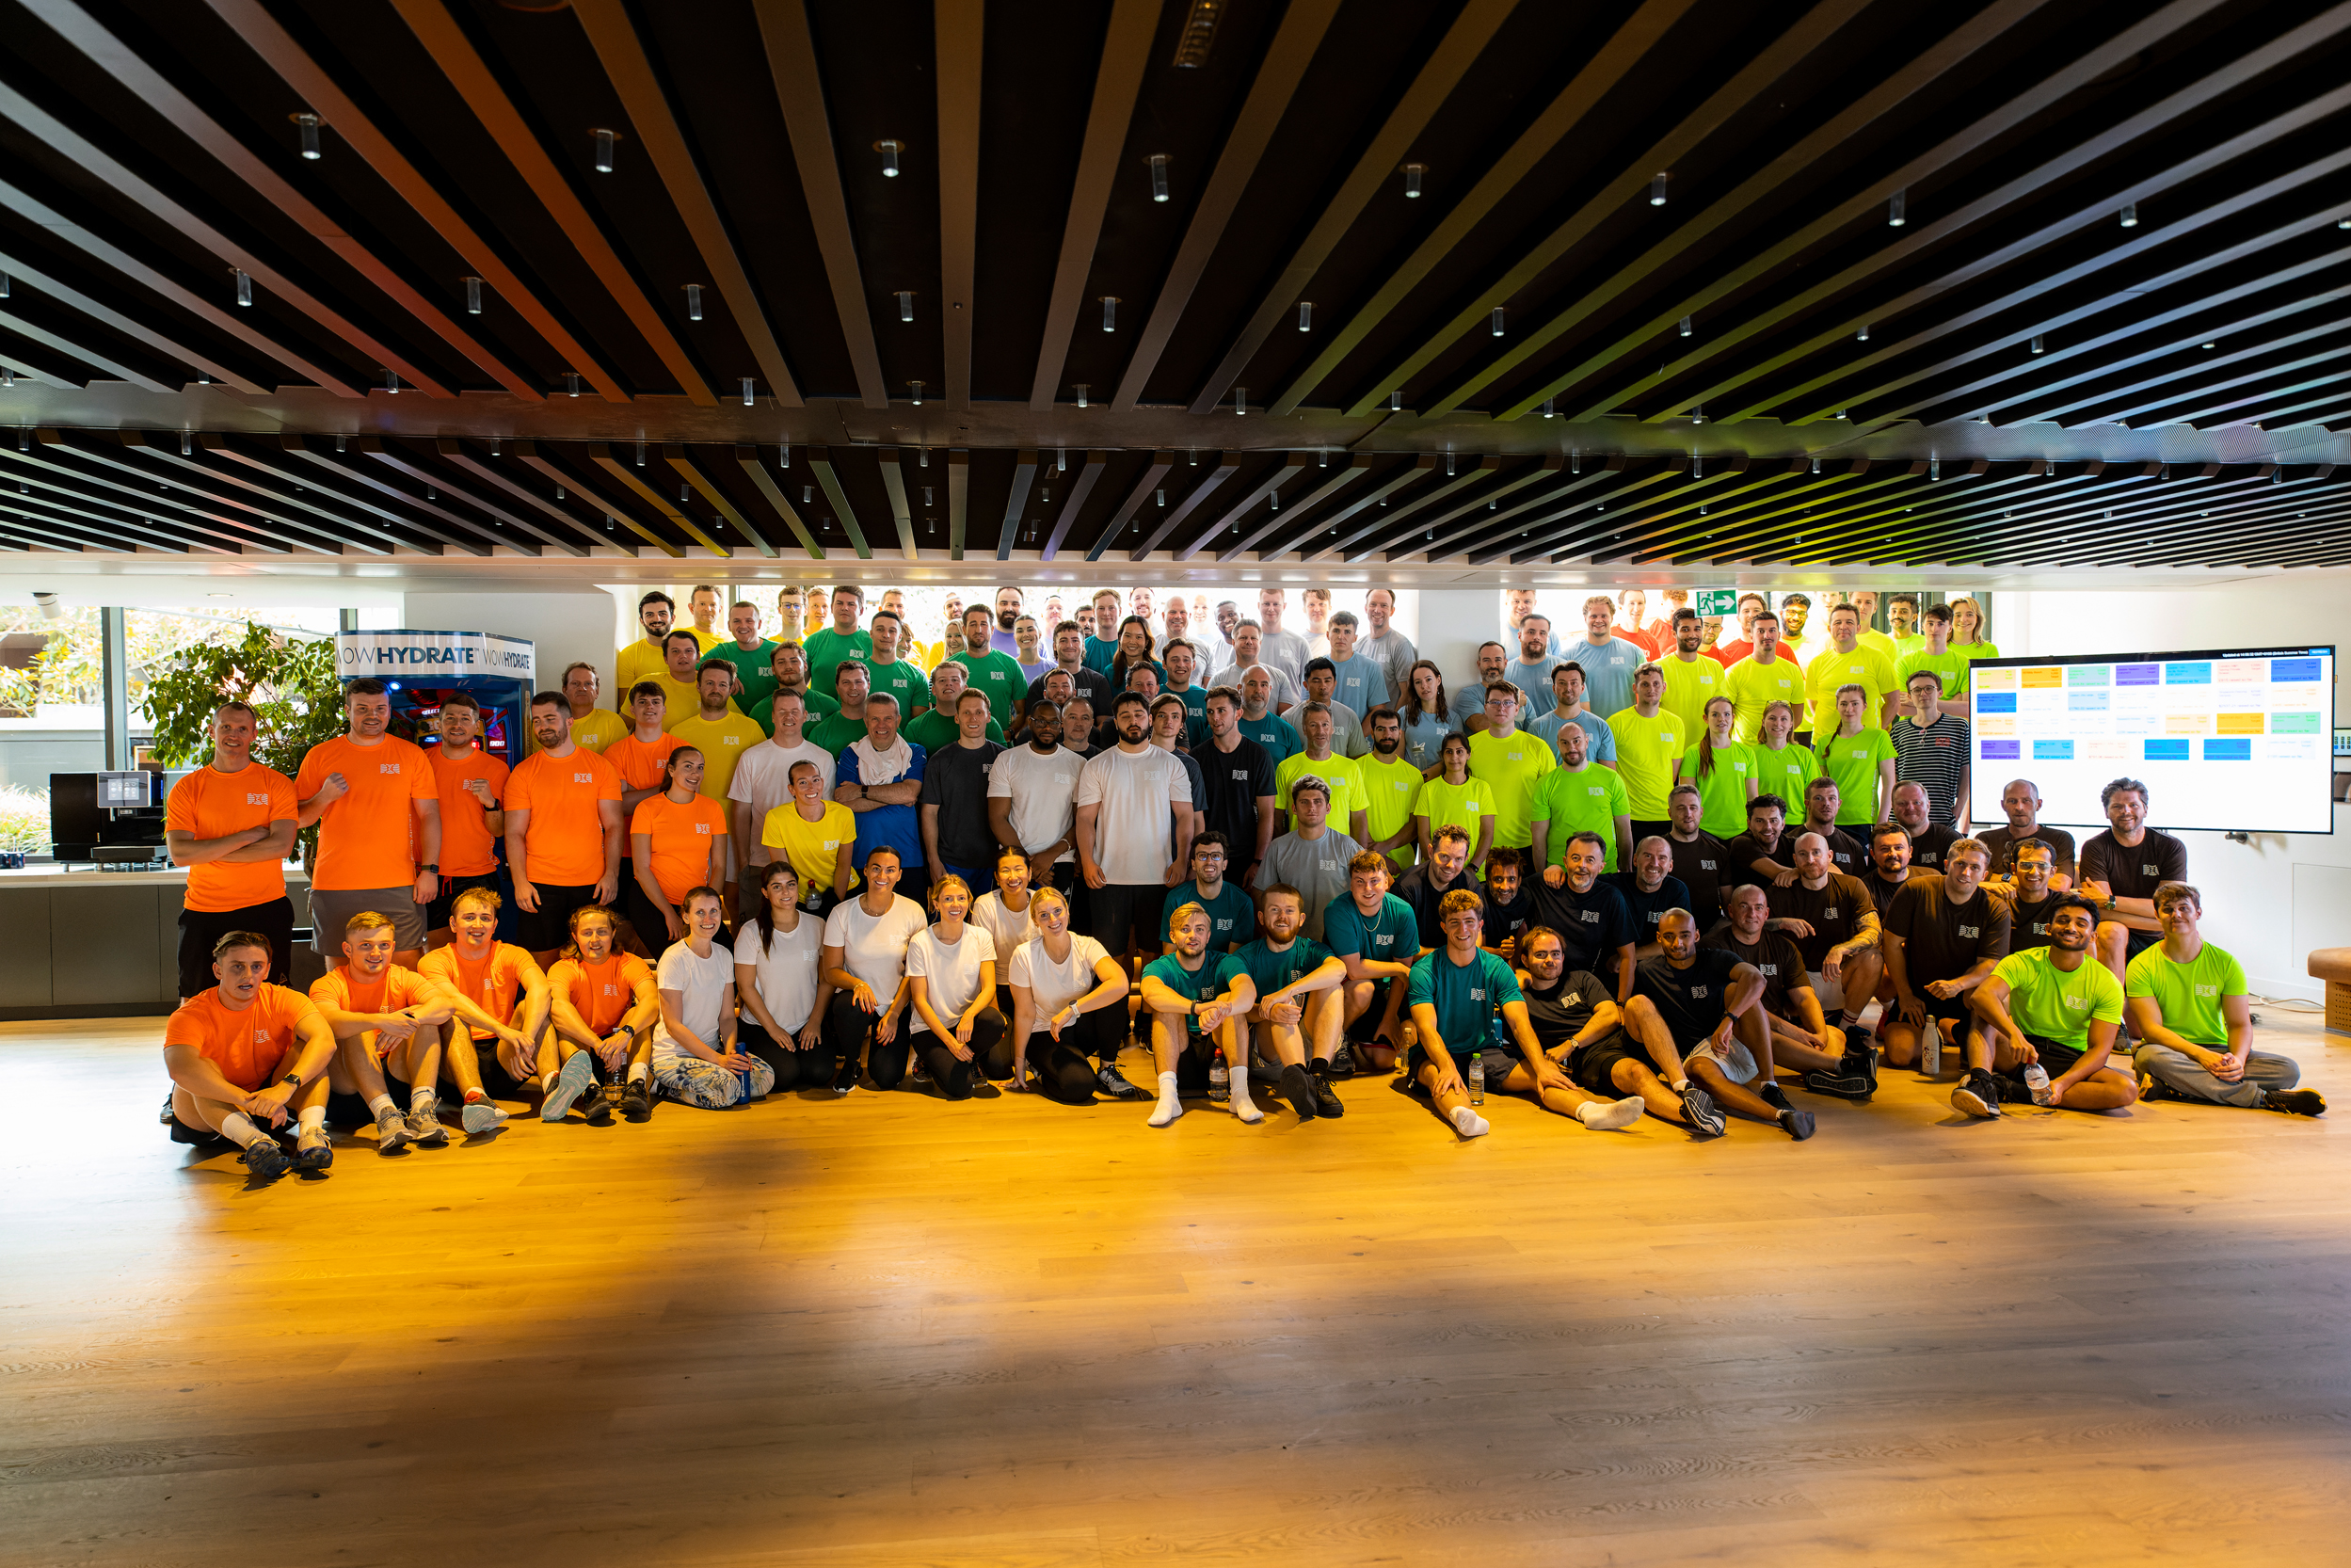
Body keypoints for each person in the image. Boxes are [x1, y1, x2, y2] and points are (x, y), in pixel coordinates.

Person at [2127, 881, 2323, 1114]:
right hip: (2169, 1051)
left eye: (2184, 908)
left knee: (2287, 1070)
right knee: (2150, 1059)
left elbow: (2240, 1024)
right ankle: (2262, 1099)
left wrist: (2238, 1060)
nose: (2176, 915)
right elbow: (2151, 1030)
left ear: (2198, 913)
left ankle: (2178, 1089)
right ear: (2157, 915)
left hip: (2218, 1050)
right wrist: (2201, 1055)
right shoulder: (2141, 965)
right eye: (2168, 909)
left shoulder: (2225, 963)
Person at [1626, 910, 1815, 1140]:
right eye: (1669, 936)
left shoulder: (1716, 958)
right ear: (1659, 938)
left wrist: (1728, 1020)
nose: (1677, 943)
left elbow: (1757, 979)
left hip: (1736, 1041)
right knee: (1699, 1070)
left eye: (1685, 935)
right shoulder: (1647, 971)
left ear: (1696, 935)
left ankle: (1771, 1085)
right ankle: (1782, 1115)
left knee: (1740, 990)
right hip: (1700, 1059)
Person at [163, 930, 339, 1176]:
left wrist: (285, 1087)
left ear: (266, 971)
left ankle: (311, 1137)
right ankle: (255, 1143)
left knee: (306, 1051)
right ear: (218, 971)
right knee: (200, 1069)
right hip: (211, 1117)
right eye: (237, 967)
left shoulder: (284, 999)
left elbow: (325, 1041)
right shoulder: (191, 1013)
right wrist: (248, 1100)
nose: (247, 975)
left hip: (272, 1106)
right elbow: (180, 1069)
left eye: (256, 966)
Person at [1402, 888, 1571, 1141]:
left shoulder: (1496, 967)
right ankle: (1464, 1119)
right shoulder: (1424, 970)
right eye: (1454, 922)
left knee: (1544, 1073)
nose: (1463, 929)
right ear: (1443, 927)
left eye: (1469, 921)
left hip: (1484, 1052)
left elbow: (1519, 1022)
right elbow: (1426, 1028)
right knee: (1443, 1078)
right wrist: (1447, 1065)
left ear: (1480, 925)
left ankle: (1589, 1111)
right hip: (1435, 1053)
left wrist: (1541, 1066)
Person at [297, 678, 440, 970]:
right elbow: (299, 819)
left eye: (380, 708)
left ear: (389, 710)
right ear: (347, 711)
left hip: (398, 882)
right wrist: (324, 797)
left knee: (405, 971)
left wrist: (429, 870)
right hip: (335, 882)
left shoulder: (410, 755)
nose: (372, 715)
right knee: (341, 974)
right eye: (362, 708)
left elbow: (429, 815)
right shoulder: (320, 755)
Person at [1953, 895, 2135, 1117]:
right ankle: (1981, 1084)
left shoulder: (2107, 983)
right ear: (2048, 929)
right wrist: (2014, 1033)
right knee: (1983, 1013)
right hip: (2021, 1051)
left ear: (2093, 936)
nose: (2071, 928)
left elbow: (2099, 1050)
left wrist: (2063, 1083)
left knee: (2125, 1089)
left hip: (2072, 1058)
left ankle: (2009, 1090)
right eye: (2063, 920)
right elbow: (1982, 996)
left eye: (2081, 924)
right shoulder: (2023, 961)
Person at [165, 701, 298, 1001]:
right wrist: (246, 836)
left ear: (254, 734)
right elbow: (180, 854)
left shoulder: (275, 784)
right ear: (211, 731)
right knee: (195, 999)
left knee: (270, 999)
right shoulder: (187, 788)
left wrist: (207, 852)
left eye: (241, 728)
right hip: (204, 910)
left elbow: (281, 845)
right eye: (225, 727)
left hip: (265, 906)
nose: (233, 735)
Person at [311, 911, 459, 1153]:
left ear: (393, 947)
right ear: (348, 949)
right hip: (348, 1095)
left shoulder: (402, 976)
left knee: (424, 1017)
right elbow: (326, 1019)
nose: (375, 953)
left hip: (395, 1084)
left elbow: (446, 1005)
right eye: (365, 945)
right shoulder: (329, 982)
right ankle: (384, 1113)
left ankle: (421, 1110)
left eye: (383, 945)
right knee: (356, 1025)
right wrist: (383, 1021)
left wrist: (411, 1017)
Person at [1704, 883, 1871, 1097]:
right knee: (1764, 1032)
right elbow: (1741, 1006)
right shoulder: (1714, 947)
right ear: (1730, 911)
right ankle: (1842, 1068)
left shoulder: (1783, 946)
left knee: (1834, 1035)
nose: (1752, 914)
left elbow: (1804, 997)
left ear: (1766, 914)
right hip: (1738, 1031)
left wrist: (1819, 1034)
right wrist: (1791, 1031)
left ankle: (1824, 1075)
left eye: (1758, 908)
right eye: (1744, 906)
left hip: (1781, 1032)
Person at [1077, 692, 1194, 987]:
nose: (1133, 721)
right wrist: (1088, 861)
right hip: (1107, 877)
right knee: (1111, 957)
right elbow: (1085, 819)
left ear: (1149, 719)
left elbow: (1185, 817)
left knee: (1155, 955)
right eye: (1125, 716)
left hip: (1159, 876)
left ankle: (1149, 1013)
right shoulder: (1098, 765)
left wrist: (1182, 860)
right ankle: (1115, 1013)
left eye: (1139, 715)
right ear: (1116, 722)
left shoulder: (1171, 764)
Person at [504, 693, 626, 967]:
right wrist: (520, 882)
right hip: (539, 885)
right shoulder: (523, 773)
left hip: (592, 883)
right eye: (537, 721)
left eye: (550, 718)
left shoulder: (599, 767)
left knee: (592, 961)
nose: (543, 726)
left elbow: (614, 825)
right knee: (540, 963)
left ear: (569, 721)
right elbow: (514, 833)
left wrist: (611, 874)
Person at [417, 887, 550, 1131]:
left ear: (495, 925)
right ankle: (476, 1098)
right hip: (454, 1068)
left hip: (506, 1058)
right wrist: (501, 1029)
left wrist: (527, 1040)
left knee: (531, 1007)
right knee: (452, 1017)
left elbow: (541, 988)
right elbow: (453, 1000)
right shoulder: (433, 960)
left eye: (485, 918)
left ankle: (554, 1088)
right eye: (469, 917)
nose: (477, 924)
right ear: (453, 924)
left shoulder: (512, 953)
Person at [1509, 927, 1661, 1130]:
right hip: (1592, 1058)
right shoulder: (1519, 999)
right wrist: (1518, 978)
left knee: (1639, 1003)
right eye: (1541, 955)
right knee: (1638, 1072)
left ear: (1563, 957)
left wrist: (1570, 1044)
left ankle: (1682, 1084)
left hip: (1622, 1039)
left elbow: (1611, 1015)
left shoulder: (1580, 978)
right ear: (1525, 960)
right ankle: (1686, 1113)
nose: (1550, 960)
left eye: (1555, 954)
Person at [1878, 837, 2007, 1073]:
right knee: (1899, 1055)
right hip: (1919, 994)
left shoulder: (1995, 908)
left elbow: (1990, 963)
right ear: (1947, 865)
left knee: (1987, 994)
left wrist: (1957, 984)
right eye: (1960, 864)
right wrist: (1905, 995)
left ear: (1984, 875)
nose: (1966, 872)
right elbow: (1892, 944)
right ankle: (1936, 1032)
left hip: (1965, 994)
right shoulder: (1915, 890)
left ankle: (1963, 1031)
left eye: (1975, 867)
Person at [1232, 885, 1350, 1121]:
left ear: (1301, 918)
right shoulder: (1245, 956)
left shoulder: (1312, 950)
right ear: (1261, 918)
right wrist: (1269, 1010)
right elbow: (1234, 1009)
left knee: (1333, 986)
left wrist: (1287, 991)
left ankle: (1317, 1076)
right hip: (1269, 1054)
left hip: (1310, 1047)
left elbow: (1340, 969)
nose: (1282, 917)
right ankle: (1302, 1081)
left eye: (1289, 910)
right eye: (1275, 910)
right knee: (1281, 1012)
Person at [1010, 886, 1137, 1103]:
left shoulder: (1087, 945)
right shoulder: (1023, 955)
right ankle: (1039, 1069)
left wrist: (1072, 1009)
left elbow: (1121, 983)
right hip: (1045, 1033)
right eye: (1044, 915)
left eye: (1058, 911)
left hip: (1077, 1026)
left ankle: (1107, 1070)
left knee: (1114, 990)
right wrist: (1019, 1063)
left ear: (1067, 911)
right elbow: (1024, 1014)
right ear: (1035, 920)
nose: (1053, 919)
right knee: (1079, 1087)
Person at [1133, 901, 1255, 1124]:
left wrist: (1221, 1009)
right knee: (1165, 1007)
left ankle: (1240, 1093)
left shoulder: (1225, 962)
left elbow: (1247, 992)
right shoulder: (1161, 966)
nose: (1193, 935)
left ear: (1208, 936)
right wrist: (1197, 1008)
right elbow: (1150, 992)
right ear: (1172, 936)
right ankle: (1168, 1098)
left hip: (1219, 1057)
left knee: (1228, 999)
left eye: (1199, 929)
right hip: (1180, 1057)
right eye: (1185, 929)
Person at [819, 845, 927, 1092]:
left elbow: (916, 973)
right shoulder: (841, 913)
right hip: (857, 1000)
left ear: (899, 875)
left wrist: (895, 1014)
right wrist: (858, 984)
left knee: (886, 1077)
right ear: (865, 871)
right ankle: (852, 1062)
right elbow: (831, 970)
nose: (882, 875)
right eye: (876, 868)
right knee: (849, 1008)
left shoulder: (913, 912)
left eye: (890, 870)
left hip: (895, 1002)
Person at [648, 887, 769, 1108]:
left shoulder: (724, 955)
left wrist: (730, 1055)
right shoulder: (673, 958)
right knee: (728, 1089)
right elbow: (673, 1026)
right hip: (674, 1057)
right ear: (686, 917)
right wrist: (719, 1060)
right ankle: (665, 1087)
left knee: (764, 1077)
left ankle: (714, 1078)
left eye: (714, 911)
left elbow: (727, 1017)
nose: (708, 919)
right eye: (700, 912)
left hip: (712, 1050)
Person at [540, 903, 659, 1124]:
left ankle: (636, 1084)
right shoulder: (563, 968)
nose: (595, 939)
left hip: (620, 1050)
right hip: (584, 1049)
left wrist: (624, 1035)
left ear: (613, 933)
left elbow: (651, 1001)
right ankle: (591, 1091)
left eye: (602, 932)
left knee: (639, 1013)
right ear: (575, 936)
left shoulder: (630, 963)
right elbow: (558, 1007)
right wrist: (597, 1044)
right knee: (562, 1023)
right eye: (587, 933)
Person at [669, 659, 768, 911]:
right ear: (698, 686)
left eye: (722, 684)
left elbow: (761, 780)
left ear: (731, 688)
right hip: (691, 828)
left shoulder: (750, 728)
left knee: (734, 897)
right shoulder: (678, 732)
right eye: (710, 683)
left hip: (736, 827)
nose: (716, 689)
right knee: (693, 897)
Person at [898, 875, 1008, 1099]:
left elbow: (989, 987)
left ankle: (971, 1059)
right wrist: (951, 1043)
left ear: (969, 901)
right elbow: (919, 999)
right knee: (960, 1088)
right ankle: (927, 1061)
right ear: (936, 903)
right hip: (930, 1028)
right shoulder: (920, 942)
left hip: (964, 1025)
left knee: (995, 1024)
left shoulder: (981, 936)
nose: (955, 904)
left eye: (961, 898)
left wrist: (969, 1015)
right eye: (948, 899)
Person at [1768, 831, 1883, 1035]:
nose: (1810, 859)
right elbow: (1750, 928)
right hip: (1797, 982)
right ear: (1795, 859)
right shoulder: (1779, 891)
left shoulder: (1851, 886)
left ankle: (1846, 1028)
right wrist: (1781, 923)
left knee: (1873, 957)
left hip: (1836, 974)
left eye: (1816, 852)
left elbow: (1874, 932)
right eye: (1803, 854)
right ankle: (1807, 1023)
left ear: (1830, 856)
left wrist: (1841, 950)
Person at [2080, 776, 2188, 987]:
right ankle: (2114, 1005)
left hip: (2160, 933)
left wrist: (2110, 900)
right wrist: (2158, 919)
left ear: (2145, 809)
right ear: (2106, 812)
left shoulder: (2170, 847)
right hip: (2122, 931)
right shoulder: (2095, 847)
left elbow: (2171, 906)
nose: (2126, 811)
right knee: (2111, 930)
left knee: (2189, 931)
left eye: (2133, 805)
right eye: (2117, 806)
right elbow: (2099, 910)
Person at [421, 694, 506, 949]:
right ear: (439, 723)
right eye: (450, 718)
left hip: (477, 874)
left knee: (476, 950)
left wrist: (490, 803)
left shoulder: (496, 768)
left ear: (476, 725)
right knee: (436, 952)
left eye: (465, 719)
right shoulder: (421, 762)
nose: (457, 724)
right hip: (429, 873)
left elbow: (499, 830)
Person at [1323, 850, 1418, 1073]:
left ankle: (1355, 1037)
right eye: (1360, 881)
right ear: (1350, 884)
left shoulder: (1403, 912)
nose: (1367, 889)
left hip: (1381, 990)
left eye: (1374, 881)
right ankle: (1336, 1041)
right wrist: (1397, 968)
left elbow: (1401, 977)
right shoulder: (1337, 910)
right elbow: (1354, 970)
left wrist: (1389, 1018)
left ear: (1386, 882)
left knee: (1384, 1061)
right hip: (1343, 991)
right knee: (1363, 989)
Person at [629, 747, 727, 947]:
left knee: (726, 950)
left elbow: (719, 865)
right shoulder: (647, 808)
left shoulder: (713, 808)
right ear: (671, 770)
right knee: (674, 958)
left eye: (700, 767)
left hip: (696, 903)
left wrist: (707, 908)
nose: (695, 773)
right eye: (688, 766)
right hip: (653, 902)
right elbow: (641, 868)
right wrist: (669, 913)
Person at [836, 691, 928, 904]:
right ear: (865, 720)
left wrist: (861, 790)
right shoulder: (851, 754)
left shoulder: (913, 752)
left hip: (907, 856)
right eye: (875, 719)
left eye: (888, 718)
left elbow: (909, 793)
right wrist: (896, 795)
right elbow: (845, 803)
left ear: (898, 720)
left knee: (911, 918)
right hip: (861, 856)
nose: (881, 725)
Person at [1527, 830, 1638, 1006]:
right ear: (1565, 862)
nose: (1582, 866)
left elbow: (1628, 957)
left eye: (1590, 860)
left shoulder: (1610, 897)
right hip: (1541, 981)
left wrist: (1621, 1004)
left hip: (1584, 985)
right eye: (1575, 858)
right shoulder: (1542, 885)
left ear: (1601, 867)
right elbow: (1508, 892)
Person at [731, 691, 835, 875]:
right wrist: (743, 861)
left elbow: (828, 813)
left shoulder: (824, 758)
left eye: (795, 711)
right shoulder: (751, 757)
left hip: (809, 863)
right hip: (761, 862)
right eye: (782, 712)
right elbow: (741, 812)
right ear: (773, 716)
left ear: (805, 716)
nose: (789, 717)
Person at [986, 698, 1082, 895]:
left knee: (1054, 915)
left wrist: (1049, 856)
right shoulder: (1007, 760)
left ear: (1061, 726)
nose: (1047, 727)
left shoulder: (1078, 764)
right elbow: (997, 818)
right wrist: (1027, 862)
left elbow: (1081, 821)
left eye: (1053, 722)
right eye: (1040, 721)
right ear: (1029, 723)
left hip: (1059, 860)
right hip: (1014, 858)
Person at [1253, 776, 1362, 942]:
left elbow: (1378, 882)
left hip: (1338, 942)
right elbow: (1260, 892)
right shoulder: (1278, 847)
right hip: (1291, 944)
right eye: (1304, 802)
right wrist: (1270, 934)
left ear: (1328, 808)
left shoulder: (1347, 846)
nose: (1311, 807)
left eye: (1318, 801)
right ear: (1294, 808)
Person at [1190, 687, 1278, 888]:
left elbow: (1267, 814)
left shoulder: (1259, 756)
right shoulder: (1197, 758)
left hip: (1245, 857)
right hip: (1208, 856)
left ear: (1238, 714)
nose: (1215, 717)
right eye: (1210, 712)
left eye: (1222, 711)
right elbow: (1193, 815)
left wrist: (1258, 861)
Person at [919, 689, 1004, 894]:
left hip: (995, 861)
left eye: (979, 712)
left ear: (988, 717)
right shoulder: (939, 761)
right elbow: (929, 812)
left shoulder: (1003, 758)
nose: (973, 718)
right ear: (957, 718)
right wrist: (933, 859)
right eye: (966, 713)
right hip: (952, 861)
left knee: (987, 915)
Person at [1530, 720, 1632, 876]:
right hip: (1561, 873)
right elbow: (1538, 838)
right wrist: (1541, 875)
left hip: (1604, 871)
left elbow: (1624, 830)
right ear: (1558, 745)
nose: (1571, 748)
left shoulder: (1611, 779)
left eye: (1576, 741)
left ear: (1586, 742)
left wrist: (1626, 871)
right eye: (1565, 743)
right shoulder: (1545, 784)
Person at [1466, 681, 1554, 853]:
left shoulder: (1538, 747)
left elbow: (1552, 799)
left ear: (1517, 709)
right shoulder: (1468, 747)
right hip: (1479, 843)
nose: (1501, 708)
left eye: (1508, 702)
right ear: (1485, 708)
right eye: (1495, 702)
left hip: (1527, 842)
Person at [761, 759, 857, 914]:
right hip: (801, 898)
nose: (811, 787)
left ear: (822, 783)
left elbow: (844, 865)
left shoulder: (843, 814)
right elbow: (783, 872)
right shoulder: (776, 818)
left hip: (842, 891)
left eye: (815, 780)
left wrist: (835, 906)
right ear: (792, 789)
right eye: (803, 782)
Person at [1607, 663, 1684, 840]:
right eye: (1645, 684)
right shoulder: (1615, 723)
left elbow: (1673, 773)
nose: (1651, 689)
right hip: (1628, 813)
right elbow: (1610, 774)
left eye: (1656, 684)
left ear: (1664, 687)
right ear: (1635, 688)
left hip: (1665, 813)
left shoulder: (1676, 724)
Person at [1802, 601, 1901, 738]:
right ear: (1829, 629)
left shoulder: (1877, 659)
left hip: (1866, 741)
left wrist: (1876, 732)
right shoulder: (1817, 663)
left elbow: (1893, 701)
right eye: (1837, 622)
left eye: (1849, 622)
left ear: (1858, 628)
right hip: (1825, 741)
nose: (1843, 627)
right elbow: (1814, 702)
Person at [605, 680, 684, 846]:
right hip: (627, 846)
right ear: (632, 710)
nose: (650, 706)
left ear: (664, 709)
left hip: (671, 844)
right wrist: (667, 788)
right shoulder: (614, 752)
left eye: (655, 702)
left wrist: (633, 793)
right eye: (642, 702)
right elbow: (618, 806)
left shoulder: (682, 750)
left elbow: (686, 799)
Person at [1275, 701, 1367, 841]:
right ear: (1304, 730)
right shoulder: (1286, 767)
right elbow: (1277, 819)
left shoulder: (1351, 767)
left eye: (1325, 725)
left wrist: (1361, 853)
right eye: (1313, 725)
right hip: (1300, 850)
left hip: (1339, 851)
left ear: (1332, 729)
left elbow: (1359, 818)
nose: (1320, 731)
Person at [1890, 671, 1971, 829]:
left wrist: (1957, 811)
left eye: (1929, 688)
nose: (1923, 694)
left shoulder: (1959, 726)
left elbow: (1966, 774)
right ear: (1910, 696)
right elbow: (1893, 776)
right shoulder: (1898, 730)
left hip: (1942, 817)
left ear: (1940, 692)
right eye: (1917, 690)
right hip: (1903, 817)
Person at [1410, 730, 1495, 872]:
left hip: (1472, 873)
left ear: (1468, 754)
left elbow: (1487, 834)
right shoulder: (1428, 789)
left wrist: (1472, 868)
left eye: (1459, 752)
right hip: (1437, 872)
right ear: (1442, 756)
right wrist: (1437, 869)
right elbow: (1423, 835)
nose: (1454, 757)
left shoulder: (1481, 788)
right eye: (1449, 752)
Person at [1817, 683, 1895, 831]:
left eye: (1855, 703)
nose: (1849, 709)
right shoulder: (1824, 741)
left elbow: (1889, 782)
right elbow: (1817, 785)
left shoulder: (1879, 737)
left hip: (1863, 819)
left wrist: (1882, 820)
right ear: (1837, 706)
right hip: (1830, 819)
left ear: (1865, 706)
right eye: (1843, 704)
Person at [1354, 706, 1423, 873]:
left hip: (1403, 865)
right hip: (1363, 861)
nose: (1387, 735)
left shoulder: (1414, 775)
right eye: (1381, 729)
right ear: (1372, 733)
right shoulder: (1355, 769)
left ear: (1400, 733)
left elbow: (1415, 824)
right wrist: (1375, 855)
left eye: (1392, 729)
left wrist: (1386, 847)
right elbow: (1351, 818)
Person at [971, 846, 1043, 1004]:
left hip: (1038, 985)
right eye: (1005, 871)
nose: (1012, 877)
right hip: (999, 986)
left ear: (1029, 873)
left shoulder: (1042, 901)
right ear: (996, 877)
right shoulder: (985, 904)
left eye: (1018, 869)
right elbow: (982, 959)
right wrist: (994, 1010)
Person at [1559, 594, 1646, 717]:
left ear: (1612, 618)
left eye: (1604, 616)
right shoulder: (1568, 657)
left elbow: (1647, 691)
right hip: (1586, 728)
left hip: (1625, 727)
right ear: (1585, 618)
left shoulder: (1634, 652)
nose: (1599, 620)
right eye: (1593, 616)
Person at [1980, 778, 2076, 888]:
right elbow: (1977, 883)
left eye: (2026, 801)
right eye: (2012, 801)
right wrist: (2037, 881)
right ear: (2003, 805)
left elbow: (2060, 885)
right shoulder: (1986, 839)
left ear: (2038, 804)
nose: (2019, 807)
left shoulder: (2060, 839)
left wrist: (2001, 878)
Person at [1723, 610, 1803, 744]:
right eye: (1760, 631)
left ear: (1778, 635)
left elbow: (1797, 717)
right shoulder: (1734, 672)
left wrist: (1778, 739)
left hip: (1779, 749)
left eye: (1772, 630)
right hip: (1745, 749)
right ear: (1751, 636)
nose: (1767, 635)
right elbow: (1724, 715)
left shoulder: (1793, 671)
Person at [1398, 824, 1479, 950]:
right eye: (1444, 856)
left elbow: (1476, 937)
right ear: (1431, 852)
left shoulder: (1470, 884)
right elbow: (1404, 949)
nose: (1451, 865)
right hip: (1422, 960)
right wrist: (1449, 957)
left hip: (1458, 956)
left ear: (1466, 858)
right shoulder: (1406, 887)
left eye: (1458, 859)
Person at [1686, 694, 1756, 839]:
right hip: (1704, 829)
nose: (1721, 719)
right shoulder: (1693, 752)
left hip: (1740, 828)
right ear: (1705, 718)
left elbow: (1752, 797)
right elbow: (1687, 796)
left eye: (1726, 714)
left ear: (1733, 717)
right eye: (1715, 715)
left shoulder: (1747, 753)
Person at [1610, 833, 1691, 956]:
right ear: (1635, 860)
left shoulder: (1677, 890)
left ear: (1670, 865)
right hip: (1611, 960)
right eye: (1648, 856)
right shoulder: (1614, 884)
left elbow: (1679, 941)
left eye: (1662, 858)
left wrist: (1628, 957)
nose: (1654, 863)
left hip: (1656, 961)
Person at [952, 604, 1027, 735]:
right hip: (960, 743)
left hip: (1001, 744)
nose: (978, 630)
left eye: (984, 624)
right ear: (964, 629)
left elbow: (1023, 711)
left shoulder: (1010, 664)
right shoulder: (950, 666)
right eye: (973, 624)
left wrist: (1009, 733)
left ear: (992, 629)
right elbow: (939, 710)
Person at [1663, 780, 1731, 925]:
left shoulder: (1718, 851)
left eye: (1693, 808)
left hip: (1712, 930)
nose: (1688, 814)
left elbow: (1728, 904)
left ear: (1701, 812)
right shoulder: (1657, 851)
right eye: (1681, 808)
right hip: (1670, 930)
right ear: (1670, 813)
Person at [1022, 619, 1113, 724]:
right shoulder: (1039, 683)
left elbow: (1104, 724)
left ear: (1083, 645)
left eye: (1075, 640)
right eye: (1063, 640)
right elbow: (1030, 724)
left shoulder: (1098, 682)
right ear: (1054, 646)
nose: (1069, 645)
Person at [1525, 663, 1618, 763]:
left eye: (1574, 683)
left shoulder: (1601, 726)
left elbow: (1608, 771)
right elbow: (1530, 767)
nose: (1568, 688)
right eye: (1562, 683)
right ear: (1554, 688)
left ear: (1582, 688)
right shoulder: (1537, 728)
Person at [1655, 608, 1727, 739]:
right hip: (1670, 745)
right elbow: (1651, 713)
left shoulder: (1715, 667)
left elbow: (1721, 711)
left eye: (1697, 629)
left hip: (1705, 746)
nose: (1692, 634)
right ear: (1674, 633)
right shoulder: (1658, 669)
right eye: (1685, 629)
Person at [1895, 603, 1972, 719]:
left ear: (1950, 628)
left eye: (1940, 624)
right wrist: (1954, 702)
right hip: (1913, 729)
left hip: (1952, 728)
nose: (1934, 629)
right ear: (1922, 627)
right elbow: (1902, 709)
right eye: (1930, 623)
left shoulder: (1964, 663)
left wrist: (1918, 702)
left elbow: (1967, 709)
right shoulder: (1904, 663)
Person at [801, 584, 872, 701]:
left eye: (851, 604)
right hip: (820, 712)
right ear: (832, 608)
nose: (845, 608)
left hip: (859, 711)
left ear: (861, 610)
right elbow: (799, 685)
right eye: (839, 603)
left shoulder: (871, 643)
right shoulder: (813, 641)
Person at [1285, 660, 1368, 759]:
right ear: (1306, 685)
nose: (1323, 686)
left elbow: (1358, 757)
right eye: (1316, 681)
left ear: (1335, 684)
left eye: (1327, 681)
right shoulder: (1289, 718)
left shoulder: (1349, 716)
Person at [712, 599, 777, 717]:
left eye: (749, 620)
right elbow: (694, 671)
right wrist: (724, 676)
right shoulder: (722, 651)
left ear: (759, 624)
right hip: (736, 722)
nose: (743, 626)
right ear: (729, 625)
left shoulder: (779, 651)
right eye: (736, 621)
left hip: (773, 720)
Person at [1212, 623, 1301, 711]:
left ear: (1260, 643)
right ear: (1233, 642)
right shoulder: (1218, 680)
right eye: (1243, 638)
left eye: (1253, 638)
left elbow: (1285, 717)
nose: (1249, 642)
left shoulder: (1280, 678)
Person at [1794, 776, 1870, 877]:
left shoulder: (1853, 847)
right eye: (1818, 798)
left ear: (1839, 804)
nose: (1826, 804)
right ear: (1807, 804)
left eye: (1832, 798)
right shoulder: (1790, 841)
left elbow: (1859, 885)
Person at [1997, 837, 2063, 952]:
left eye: (2042, 866)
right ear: (2014, 869)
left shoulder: (2065, 905)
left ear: (2052, 871)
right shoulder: (1999, 903)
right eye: (2026, 865)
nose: (2034, 872)